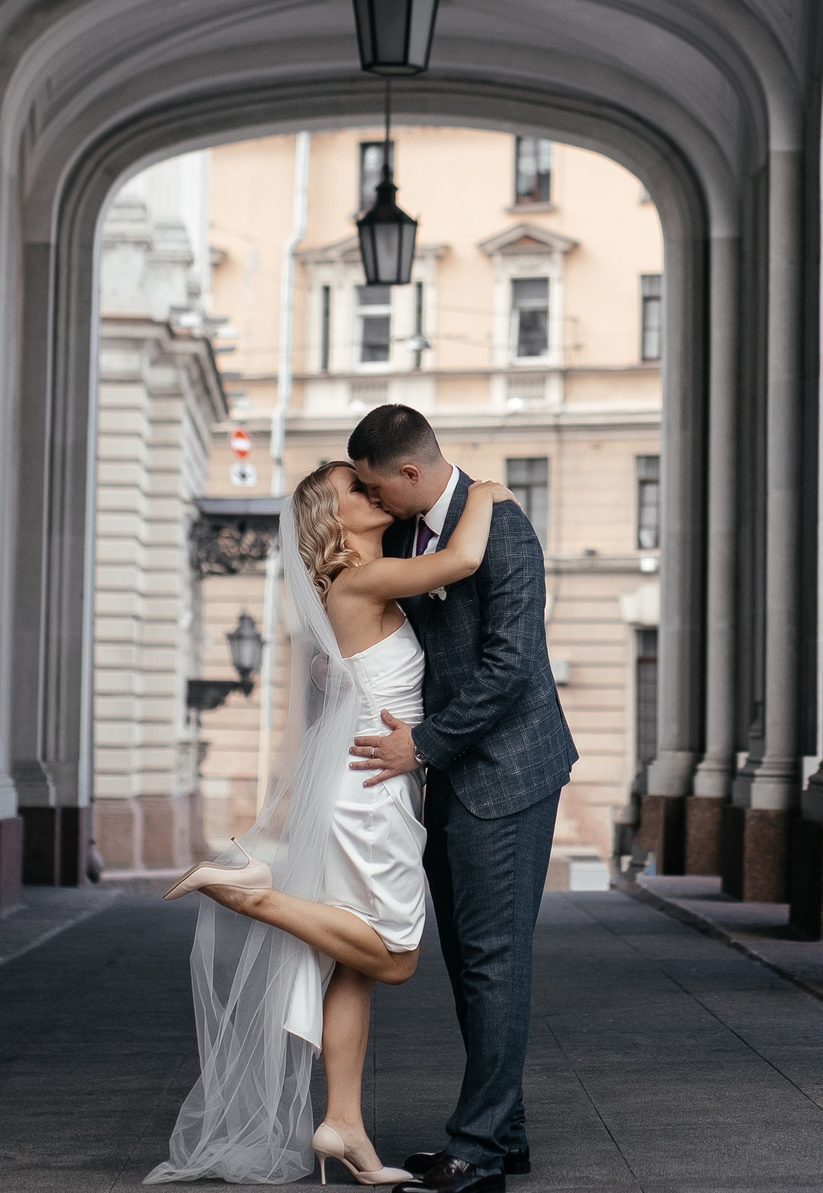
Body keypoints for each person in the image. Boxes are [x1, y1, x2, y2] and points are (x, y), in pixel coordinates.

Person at [146, 456, 512, 1187]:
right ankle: (256, 894)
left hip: (374, 783)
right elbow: (465, 556)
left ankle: (343, 1123)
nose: (371, 492)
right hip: (368, 793)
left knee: (354, 963)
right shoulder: (361, 579)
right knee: (397, 954)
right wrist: (492, 492)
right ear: (332, 520)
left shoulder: (361, 586)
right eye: (355, 488)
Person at [346, 404, 577, 1193]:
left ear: (410, 472)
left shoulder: (502, 526)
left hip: (506, 771)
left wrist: (425, 744)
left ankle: (476, 1150)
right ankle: (504, 1134)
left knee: (493, 960)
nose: (374, 504)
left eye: (379, 489)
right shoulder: (407, 534)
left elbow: (511, 666)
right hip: (449, 778)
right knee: (476, 962)